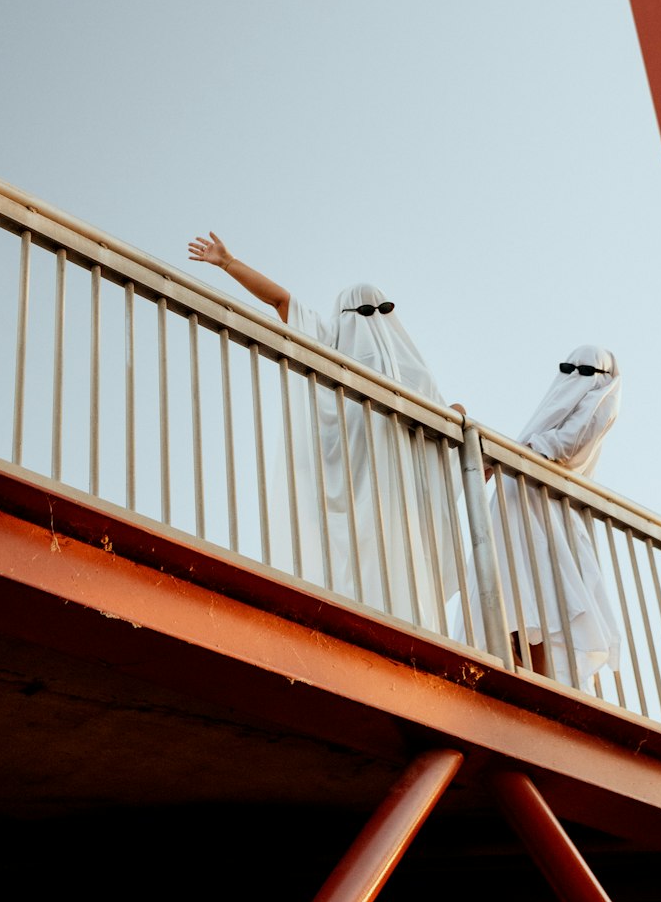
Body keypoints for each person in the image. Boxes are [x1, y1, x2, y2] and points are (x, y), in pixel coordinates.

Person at [187, 232, 464, 629]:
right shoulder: (333, 336)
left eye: (382, 309)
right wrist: (229, 263)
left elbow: (443, 418)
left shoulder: (411, 364)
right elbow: (282, 302)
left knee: (398, 552)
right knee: (358, 545)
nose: (374, 318)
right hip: (353, 470)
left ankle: (406, 625)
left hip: (398, 481)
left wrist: (458, 412)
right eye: (365, 310)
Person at [468, 345, 622, 690]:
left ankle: (542, 685)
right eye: (567, 369)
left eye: (584, 372)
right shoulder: (549, 414)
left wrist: (504, 455)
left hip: (545, 517)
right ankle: (522, 677)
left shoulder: (600, 408)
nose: (573, 378)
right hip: (515, 513)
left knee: (544, 603)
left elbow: (565, 446)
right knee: (516, 601)